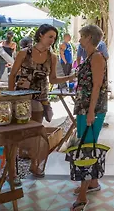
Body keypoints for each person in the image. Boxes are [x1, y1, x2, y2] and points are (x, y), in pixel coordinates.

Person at [8, 24, 75, 177]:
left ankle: (34, 164)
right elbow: (12, 75)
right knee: (16, 132)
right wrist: (11, 96)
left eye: (54, 38)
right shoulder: (24, 53)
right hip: (22, 97)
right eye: (50, 36)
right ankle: (12, 170)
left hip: (41, 98)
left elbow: (53, 79)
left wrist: (70, 77)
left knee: (37, 131)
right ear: (40, 35)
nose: (52, 40)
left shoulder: (52, 57)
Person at [70, 24, 108, 211]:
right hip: (85, 108)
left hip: (92, 109)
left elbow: (97, 86)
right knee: (86, 144)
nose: (79, 40)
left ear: (89, 38)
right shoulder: (89, 57)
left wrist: (91, 111)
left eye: (82, 36)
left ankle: (83, 196)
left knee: (86, 148)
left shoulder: (97, 57)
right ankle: (92, 183)